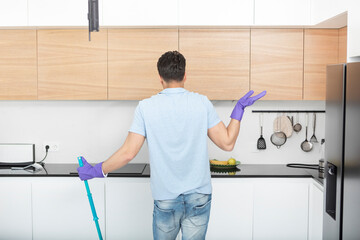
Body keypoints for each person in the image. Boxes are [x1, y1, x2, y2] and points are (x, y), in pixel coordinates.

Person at [77, 50, 266, 240]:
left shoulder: (146, 107)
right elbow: (227, 143)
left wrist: (96, 170)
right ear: (185, 75)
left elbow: (128, 153)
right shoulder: (202, 103)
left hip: (166, 198)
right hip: (199, 196)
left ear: (160, 78)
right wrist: (238, 111)